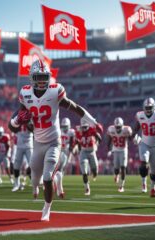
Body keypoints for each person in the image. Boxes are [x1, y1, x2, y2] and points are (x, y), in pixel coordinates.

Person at [9, 59, 100, 221]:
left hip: (54, 142)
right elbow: (12, 127)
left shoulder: (55, 91)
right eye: (39, 77)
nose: (42, 81)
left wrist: (93, 121)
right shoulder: (25, 94)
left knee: (47, 176)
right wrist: (17, 121)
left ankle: (47, 208)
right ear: (32, 78)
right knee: (35, 179)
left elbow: (75, 107)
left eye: (45, 77)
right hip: (37, 143)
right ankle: (39, 188)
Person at [132, 98, 155, 196]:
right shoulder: (140, 115)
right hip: (144, 144)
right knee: (143, 164)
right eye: (146, 107)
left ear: (154, 107)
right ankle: (144, 184)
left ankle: (153, 188)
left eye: (150, 107)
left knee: (154, 171)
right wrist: (133, 137)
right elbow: (135, 129)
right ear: (144, 107)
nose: (148, 109)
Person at [106, 117, 132, 192]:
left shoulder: (126, 129)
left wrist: (132, 137)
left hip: (123, 149)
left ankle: (121, 186)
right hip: (115, 150)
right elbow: (109, 139)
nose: (117, 128)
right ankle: (116, 175)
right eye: (116, 127)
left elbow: (130, 138)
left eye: (119, 127)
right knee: (116, 168)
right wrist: (109, 149)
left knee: (123, 167)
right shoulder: (111, 129)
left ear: (122, 125)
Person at [77, 119, 102, 196]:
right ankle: (87, 188)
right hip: (83, 151)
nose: (84, 128)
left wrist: (97, 143)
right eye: (83, 127)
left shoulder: (92, 129)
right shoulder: (78, 131)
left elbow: (99, 137)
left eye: (85, 127)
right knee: (84, 172)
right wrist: (79, 151)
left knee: (95, 169)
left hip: (91, 151)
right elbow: (78, 142)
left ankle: (94, 174)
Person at [53, 117, 75, 198]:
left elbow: (72, 143)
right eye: (64, 126)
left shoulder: (64, 131)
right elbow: (72, 144)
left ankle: (58, 188)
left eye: (66, 126)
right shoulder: (69, 132)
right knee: (59, 171)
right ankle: (58, 187)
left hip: (61, 151)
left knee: (59, 170)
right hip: (61, 152)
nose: (65, 128)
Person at [12, 123, 33, 192]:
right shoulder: (18, 118)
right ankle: (16, 184)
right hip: (19, 145)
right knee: (16, 165)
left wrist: (26, 122)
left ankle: (35, 182)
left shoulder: (31, 118)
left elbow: (33, 129)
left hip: (29, 145)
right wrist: (17, 124)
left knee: (33, 165)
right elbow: (12, 128)